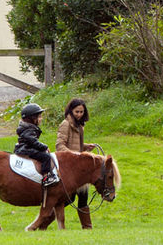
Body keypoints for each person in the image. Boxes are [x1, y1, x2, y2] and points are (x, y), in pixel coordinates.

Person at [57, 98, 96, 229]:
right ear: (71, 111)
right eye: (77, 111)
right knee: (70, 198)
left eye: (81, 112)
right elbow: (60, 146)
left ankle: (87, 227)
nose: (79, 114)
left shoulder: (80, 126)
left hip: (79, 168)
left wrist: (85, 147)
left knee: (83, 197)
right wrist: (75, 155)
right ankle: (46, 216)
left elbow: (76, 145)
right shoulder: (65, 124)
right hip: (69, 167)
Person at [14, 103, 59, 187]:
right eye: (39, 117)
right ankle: (46, 177)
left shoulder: (28, 127)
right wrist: (44, 147)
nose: (41, 119)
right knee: (46, 157)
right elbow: (33, 142)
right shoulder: (29, 129)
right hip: (26, 148)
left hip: (25, 147)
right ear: (32, 118)